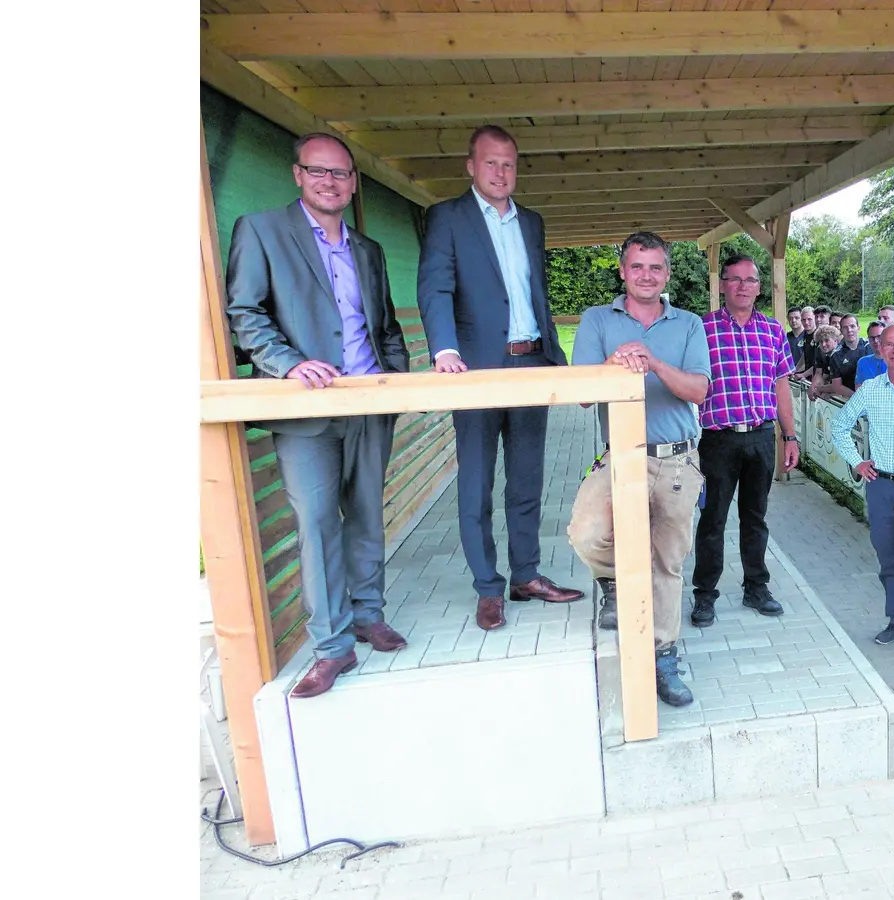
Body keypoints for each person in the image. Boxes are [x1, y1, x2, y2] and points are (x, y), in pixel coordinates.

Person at [225, 133, 411, 698]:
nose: (330, 181)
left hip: (368, 406)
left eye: (341, 173)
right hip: (305, 409)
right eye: (319, 171)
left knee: (366, 515)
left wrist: (396, 387)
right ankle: (331, 647)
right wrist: (287, 365)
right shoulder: (261, 231)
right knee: (316, 525)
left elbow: (384, 330)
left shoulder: (370, 250)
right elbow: (244, 309)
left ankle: (367, 614)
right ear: (298, 175)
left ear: (354, 182)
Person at [417, 124, 585, 633]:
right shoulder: (447, 217)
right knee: (476, 482)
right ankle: (488, 588)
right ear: (471, 166)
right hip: (474, 367)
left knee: (529, 478)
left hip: (531, 362)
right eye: (490, 162)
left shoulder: (531, 222)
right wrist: (444, 349)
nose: (500, 172)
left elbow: (534, 295)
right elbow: (435, 288)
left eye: (509, 163)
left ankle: (526, 575)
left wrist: (555, 357)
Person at [567, 232, 711, 707]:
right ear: (622, 271)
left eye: (655, 267)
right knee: (587, 532)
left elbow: (698, 391)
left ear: (666, 274)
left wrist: (652, 362)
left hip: (677, 459)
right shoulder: (596, 320)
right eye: (637, 266)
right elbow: (583, 393)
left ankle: (663, 657)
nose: (646, 275)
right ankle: (612, 583)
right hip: (621, 454)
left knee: (666, 562)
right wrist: (614, 364)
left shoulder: (688, 323)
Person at [691, 255, 802, 624]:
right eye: (734, 279)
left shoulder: (773, 331)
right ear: (722, 285)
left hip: (760, 437)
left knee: (755, 518)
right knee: (713, 521)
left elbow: (782, 386)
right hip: (717, 441)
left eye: (750, 280)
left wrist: (790, 436)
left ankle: (756, 587)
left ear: (758, 286)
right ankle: (705, 595)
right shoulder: (701, 329)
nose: (742, 286)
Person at [830, 323, 894, 645]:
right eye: (889, 345)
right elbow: (839, 427)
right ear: (879, 350)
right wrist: (857, 461)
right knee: (888, 558)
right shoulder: (869, 389)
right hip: (880, 486)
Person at [806, 325, 845, 399]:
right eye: (821, 341)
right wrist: (813, 387)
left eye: (827, 340)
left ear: (835, 340)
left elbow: (840, 385)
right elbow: (818, 373)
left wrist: (820, 389)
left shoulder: (841, 354)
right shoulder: (819, 350)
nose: (823, 344)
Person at [785, 307, 807, 373]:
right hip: (789, 374)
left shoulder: (808, 336)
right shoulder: (785, 337)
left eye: (796, 318)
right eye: (790, 318)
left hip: (804, 375)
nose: (793, 320)